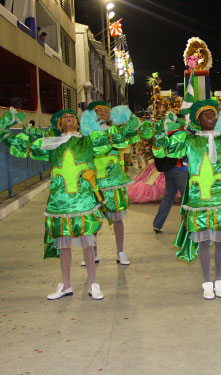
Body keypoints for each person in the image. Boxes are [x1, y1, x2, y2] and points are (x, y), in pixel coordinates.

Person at [0, 108, 127, 300]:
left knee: (88, 245)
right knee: (64, 246)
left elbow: (116, 137)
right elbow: (17, 143)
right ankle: (66, 285)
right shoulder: (51, 144)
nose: (68, 118)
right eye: (64, 117)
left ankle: (93, 282)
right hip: (60, 205)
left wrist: (127, 122)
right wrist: (8, 121)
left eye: (72, 117)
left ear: (79, 123)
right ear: (59, 125)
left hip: (84, 203)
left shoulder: (88, 141)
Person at [153, 100, 221, 299]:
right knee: (203, 242)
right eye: (206, 114)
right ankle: (207, 283)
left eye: (213, 113)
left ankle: (219, 281)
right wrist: (159, 133)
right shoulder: (189, 140)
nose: (211, 116)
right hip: (198, 199)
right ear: (198, 119)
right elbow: (164, 151)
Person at [84, 101, 152, 265]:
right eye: (97, 111)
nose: (101, 113)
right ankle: (92, 253)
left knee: (118, 219)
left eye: (104, 110)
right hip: (94, 182)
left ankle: (121, 251)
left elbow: (135, 129)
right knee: (92, 219)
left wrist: (129, 116)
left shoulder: (116, 131)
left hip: (114, 181)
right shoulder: (86, 134)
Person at [151, 117, 188, 232]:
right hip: (181, 169)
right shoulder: (182, 135)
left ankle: (157, 224)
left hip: (169, 170)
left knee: (168, 197)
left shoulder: (167, 135)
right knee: (186, 198)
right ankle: (186, 226)